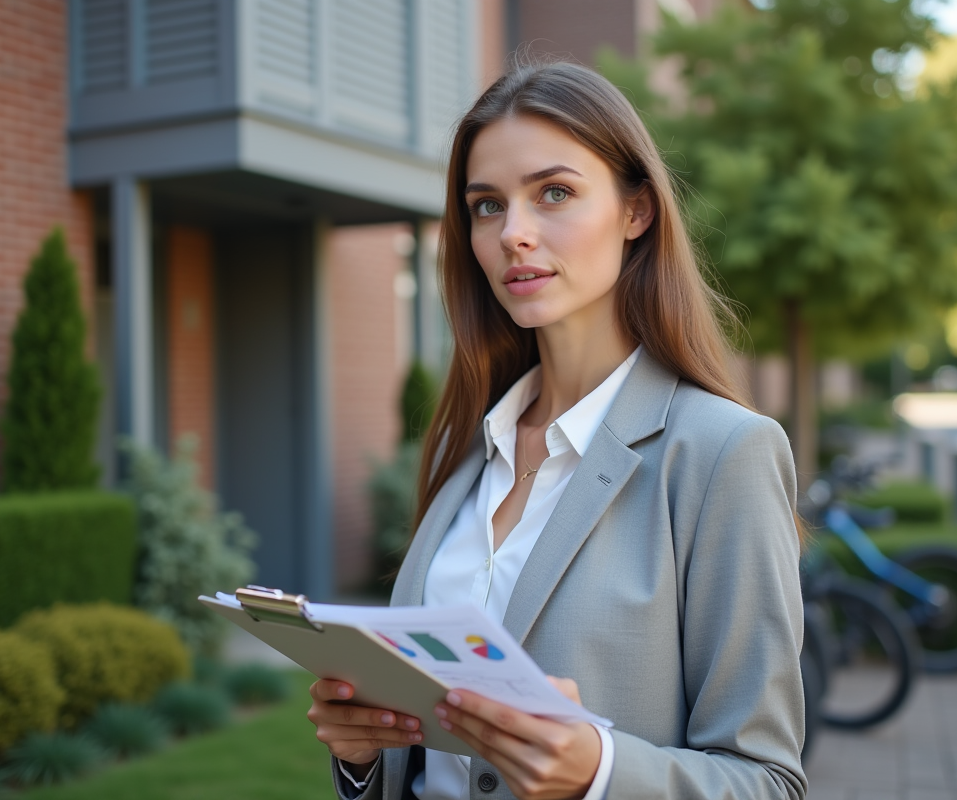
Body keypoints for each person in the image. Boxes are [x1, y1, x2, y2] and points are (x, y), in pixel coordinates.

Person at [307, 61, 806, 800]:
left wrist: (599, 772)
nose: (515, 234)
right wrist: (363, 757)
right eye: (486, 206)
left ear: (637, 212)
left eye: (555, 193)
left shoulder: (722, 453)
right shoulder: (467, 448)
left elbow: (767, 780)